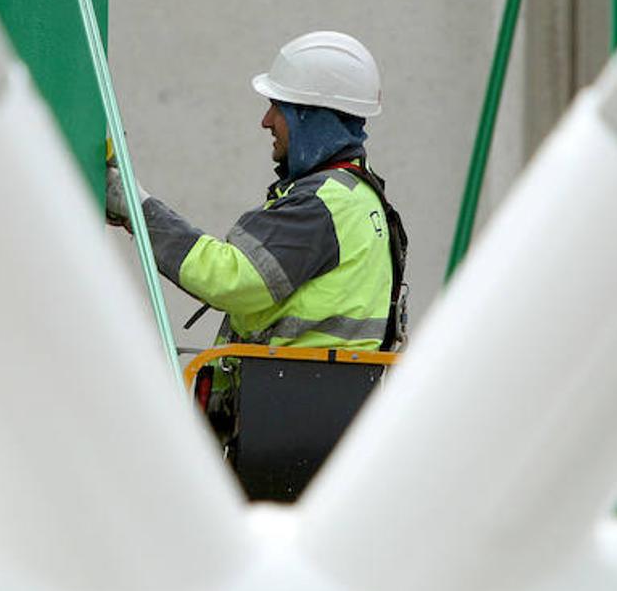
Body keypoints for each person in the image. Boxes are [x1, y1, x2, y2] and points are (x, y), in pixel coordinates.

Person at [104, 30, 407, 357]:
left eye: (278, 107)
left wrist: (137, 205)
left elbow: (228, 278)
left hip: (289, 400)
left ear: (310, 118)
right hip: (314, 397)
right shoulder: (354, 195)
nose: (266, 121)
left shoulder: (322, 204)